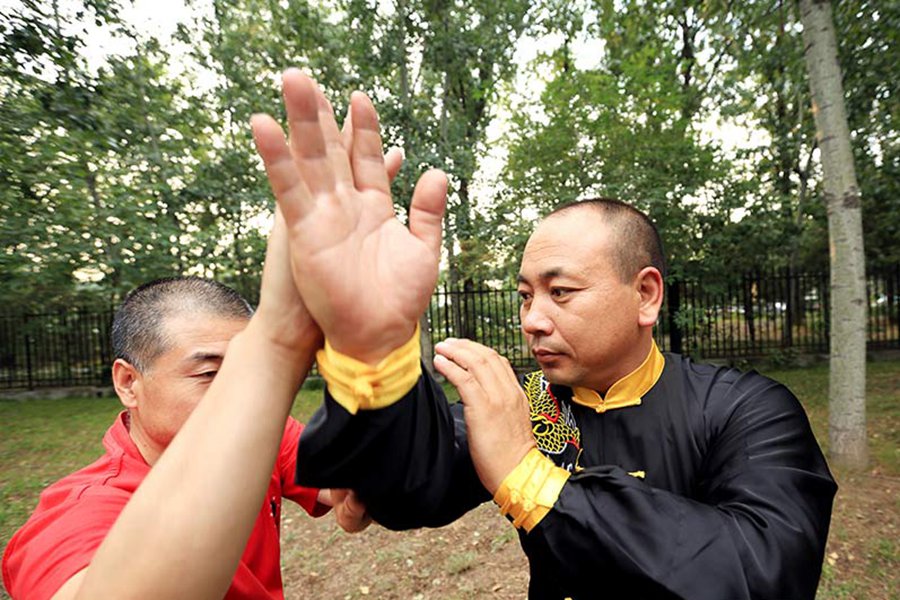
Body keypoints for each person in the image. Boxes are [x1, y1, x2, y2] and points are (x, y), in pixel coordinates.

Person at [248, 72, 838, 599]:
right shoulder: (530, 406)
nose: (532, 319)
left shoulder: (745, 410)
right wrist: (375, 353)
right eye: (526, 296)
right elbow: (409, 490)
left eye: (561, 292)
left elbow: (764, 572)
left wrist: (527, 475)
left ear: (646, 295)